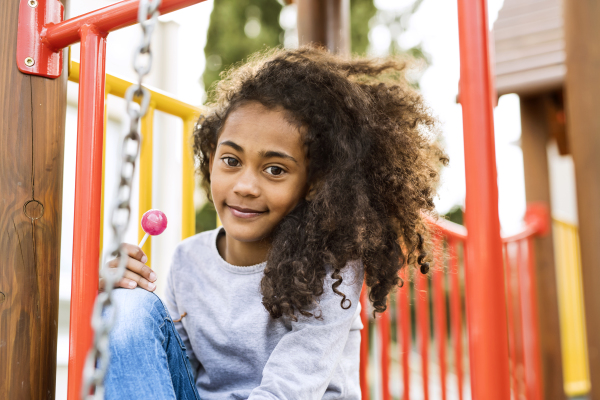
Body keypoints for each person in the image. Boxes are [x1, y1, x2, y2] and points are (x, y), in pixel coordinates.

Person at [101, 47, 447, 400]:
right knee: (126, 307)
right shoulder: (187, 260)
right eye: (231, 160)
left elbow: (289, 389)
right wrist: (116, 289)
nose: (245, 187)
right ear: (210, 159)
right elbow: (175, 373)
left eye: (275, 170)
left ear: (312, 183)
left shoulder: (331, 270)